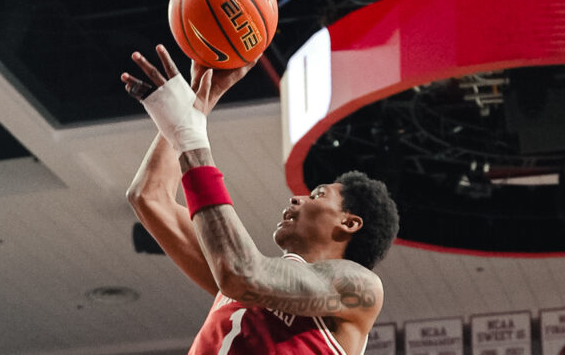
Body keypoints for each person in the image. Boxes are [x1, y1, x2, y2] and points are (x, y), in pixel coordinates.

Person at [121, 44, 399, 355]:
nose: (297, 199)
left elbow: (243, 273)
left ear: (349, 222)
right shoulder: (244, 279)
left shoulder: (359, 288)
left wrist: (189, 134)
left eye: (318, 195)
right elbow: (149, 197)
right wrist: (199, 105)